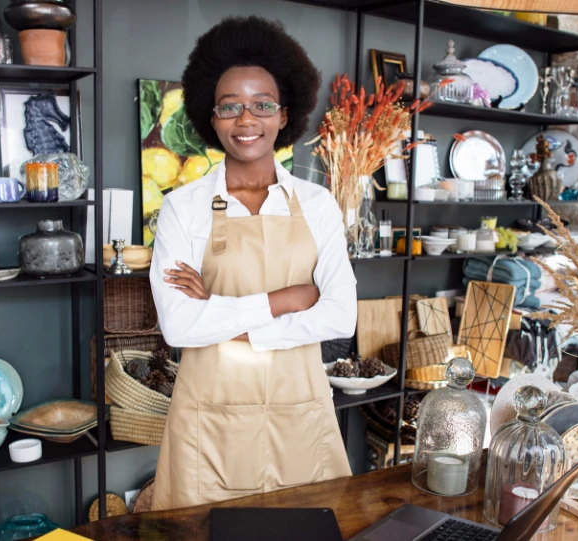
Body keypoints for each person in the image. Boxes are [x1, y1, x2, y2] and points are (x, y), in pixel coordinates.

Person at [149, 15, 356, 511]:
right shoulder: (184, 207)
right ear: (211, 116)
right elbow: (178, 327)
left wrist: (222, 315)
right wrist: (286, 300)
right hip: (209, 423)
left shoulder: (318, 204)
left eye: (262, 105)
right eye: (231, 107)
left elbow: (339, 316)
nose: (247, 120)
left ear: (284, 115)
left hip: (299, 416)